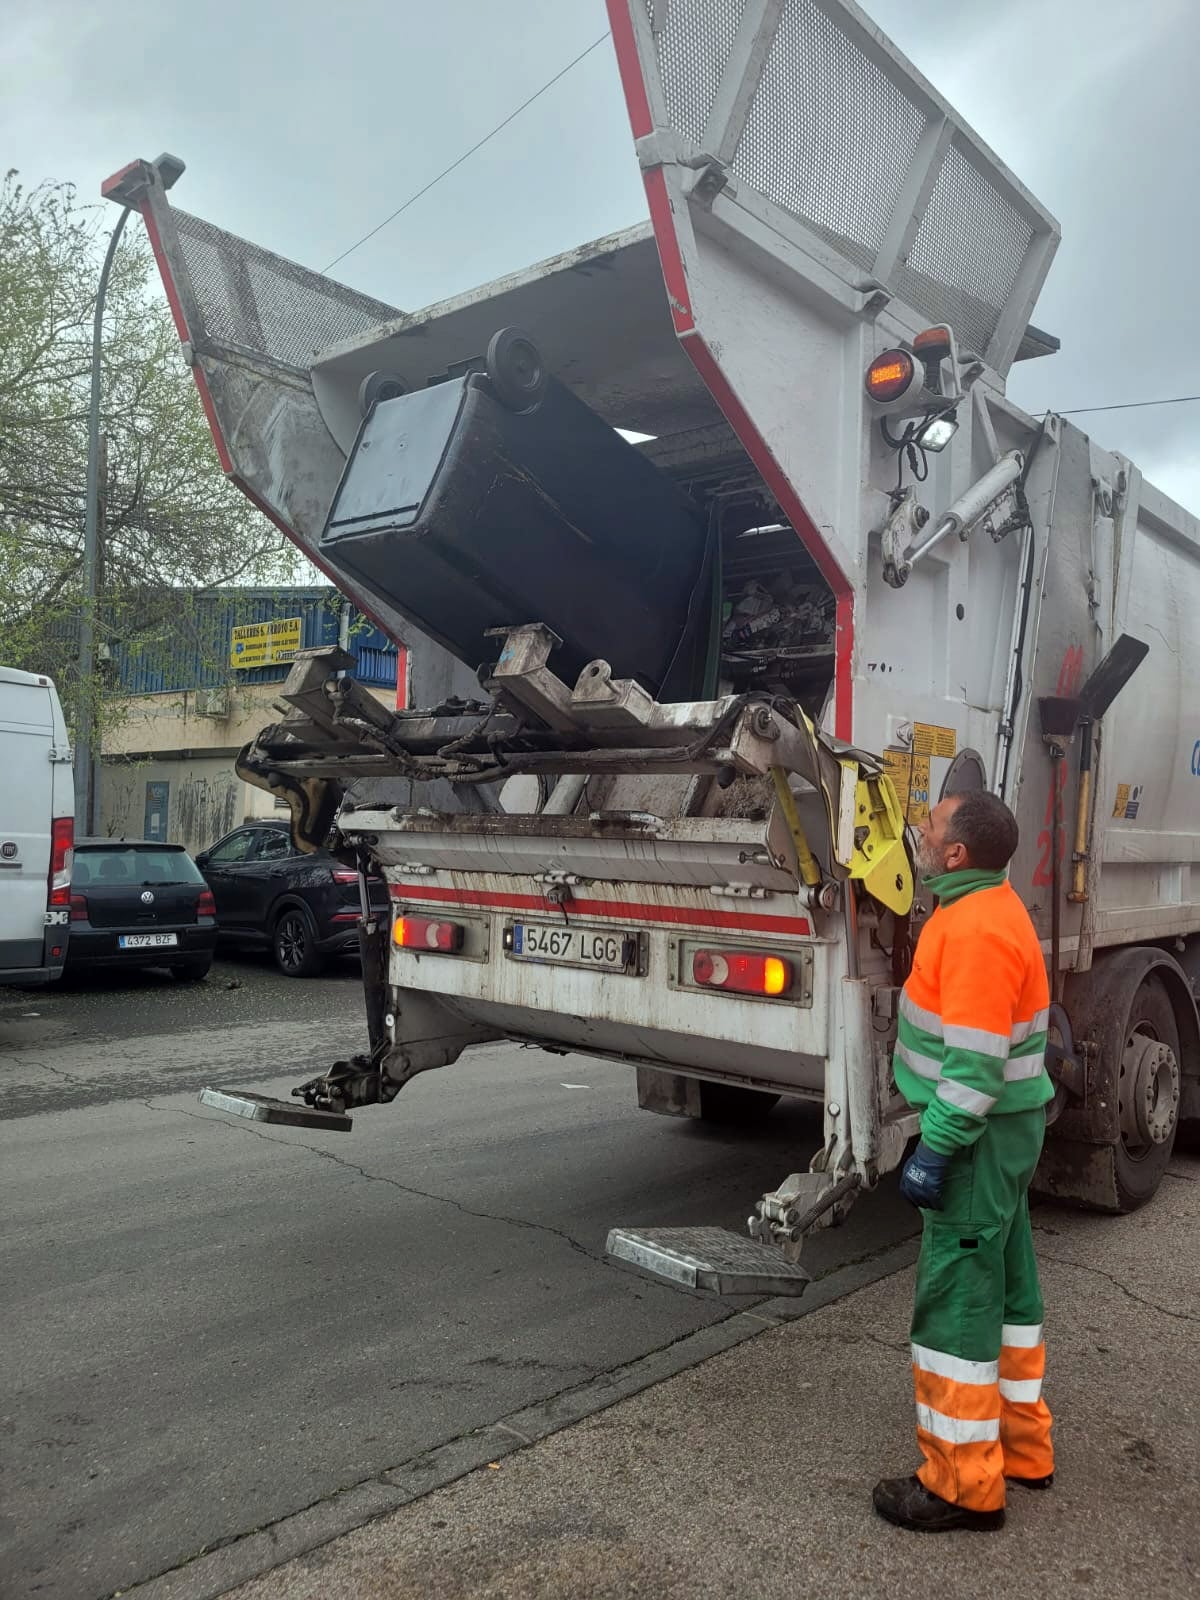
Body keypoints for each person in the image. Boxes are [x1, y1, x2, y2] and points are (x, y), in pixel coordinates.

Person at [873, 790, 1056, 1533]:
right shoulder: (985, 904)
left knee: (956, 1307)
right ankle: (1021, 1449)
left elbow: (974, 1071)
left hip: (976, 1143)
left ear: (955, 855)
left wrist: (936, 1149)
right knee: (1010, 1295)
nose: (920, 827)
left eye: (932, 824)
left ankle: (959, 1485)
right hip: (1005, 1138)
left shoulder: (975, 930)